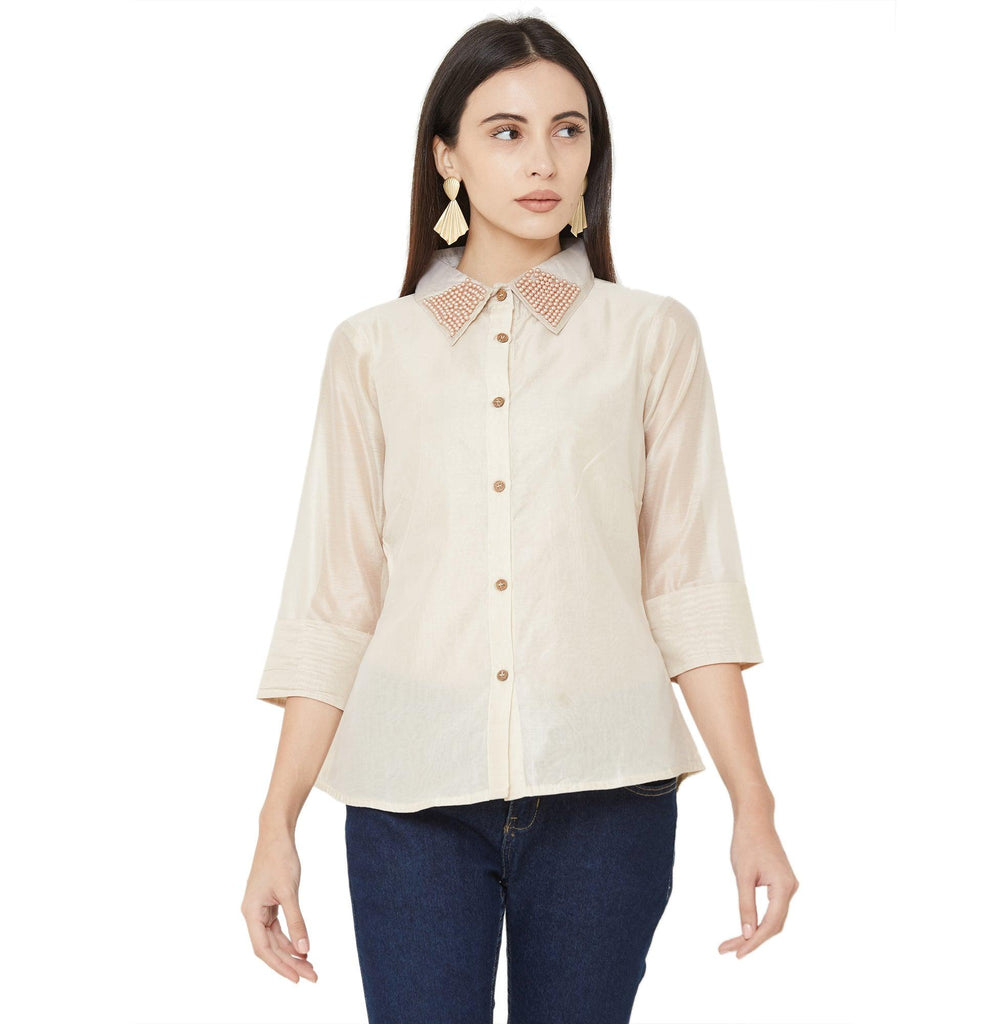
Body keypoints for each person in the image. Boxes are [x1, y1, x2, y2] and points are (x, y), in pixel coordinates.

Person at [241, 14, 798, 1023]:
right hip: (409, 796)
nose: (543, 159)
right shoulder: (372, 350)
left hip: (609, 790)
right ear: (446, 157)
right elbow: (336, 597)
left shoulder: (650, 336)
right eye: (505, 132)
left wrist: (750, 800)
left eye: (567, 129)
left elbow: (687, 580)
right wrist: (275, 821)